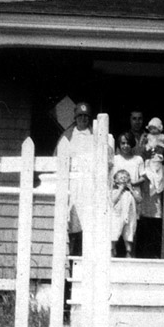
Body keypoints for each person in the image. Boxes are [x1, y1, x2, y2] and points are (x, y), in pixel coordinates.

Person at [59, 102, 113, 256]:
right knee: (72, 220)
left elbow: (106, 156)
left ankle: (86, 255)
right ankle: (71, 254)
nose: (83, 119)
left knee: (88, 221)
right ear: (75, 118)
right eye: (80, 116)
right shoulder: (67, 136)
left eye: (86, 116)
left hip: (89, 183)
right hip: (72, 182)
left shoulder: (94, 136)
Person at [135, 118, 164, 258]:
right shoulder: (146, 138)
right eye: (151, 128)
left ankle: (154, 250)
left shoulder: (161, 138)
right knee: (144, 213)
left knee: (155, 212)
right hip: (147, 167)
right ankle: (142, 251)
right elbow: (142, 152)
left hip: (157, 166)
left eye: (156, 128)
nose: (153, 131)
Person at [109, 167, 141, 257]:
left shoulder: (132, 191)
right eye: (120, 177)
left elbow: (139, 200)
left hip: (130, 215)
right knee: (115, 231)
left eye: (125, 177)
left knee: (129, 231)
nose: (123, 179)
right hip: (117, 214)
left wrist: (131, 189)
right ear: (115, 181)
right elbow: (113, 200)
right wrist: (120, 189)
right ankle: (112, 249)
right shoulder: (114, 191)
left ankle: (128, 251)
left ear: (129, 179)